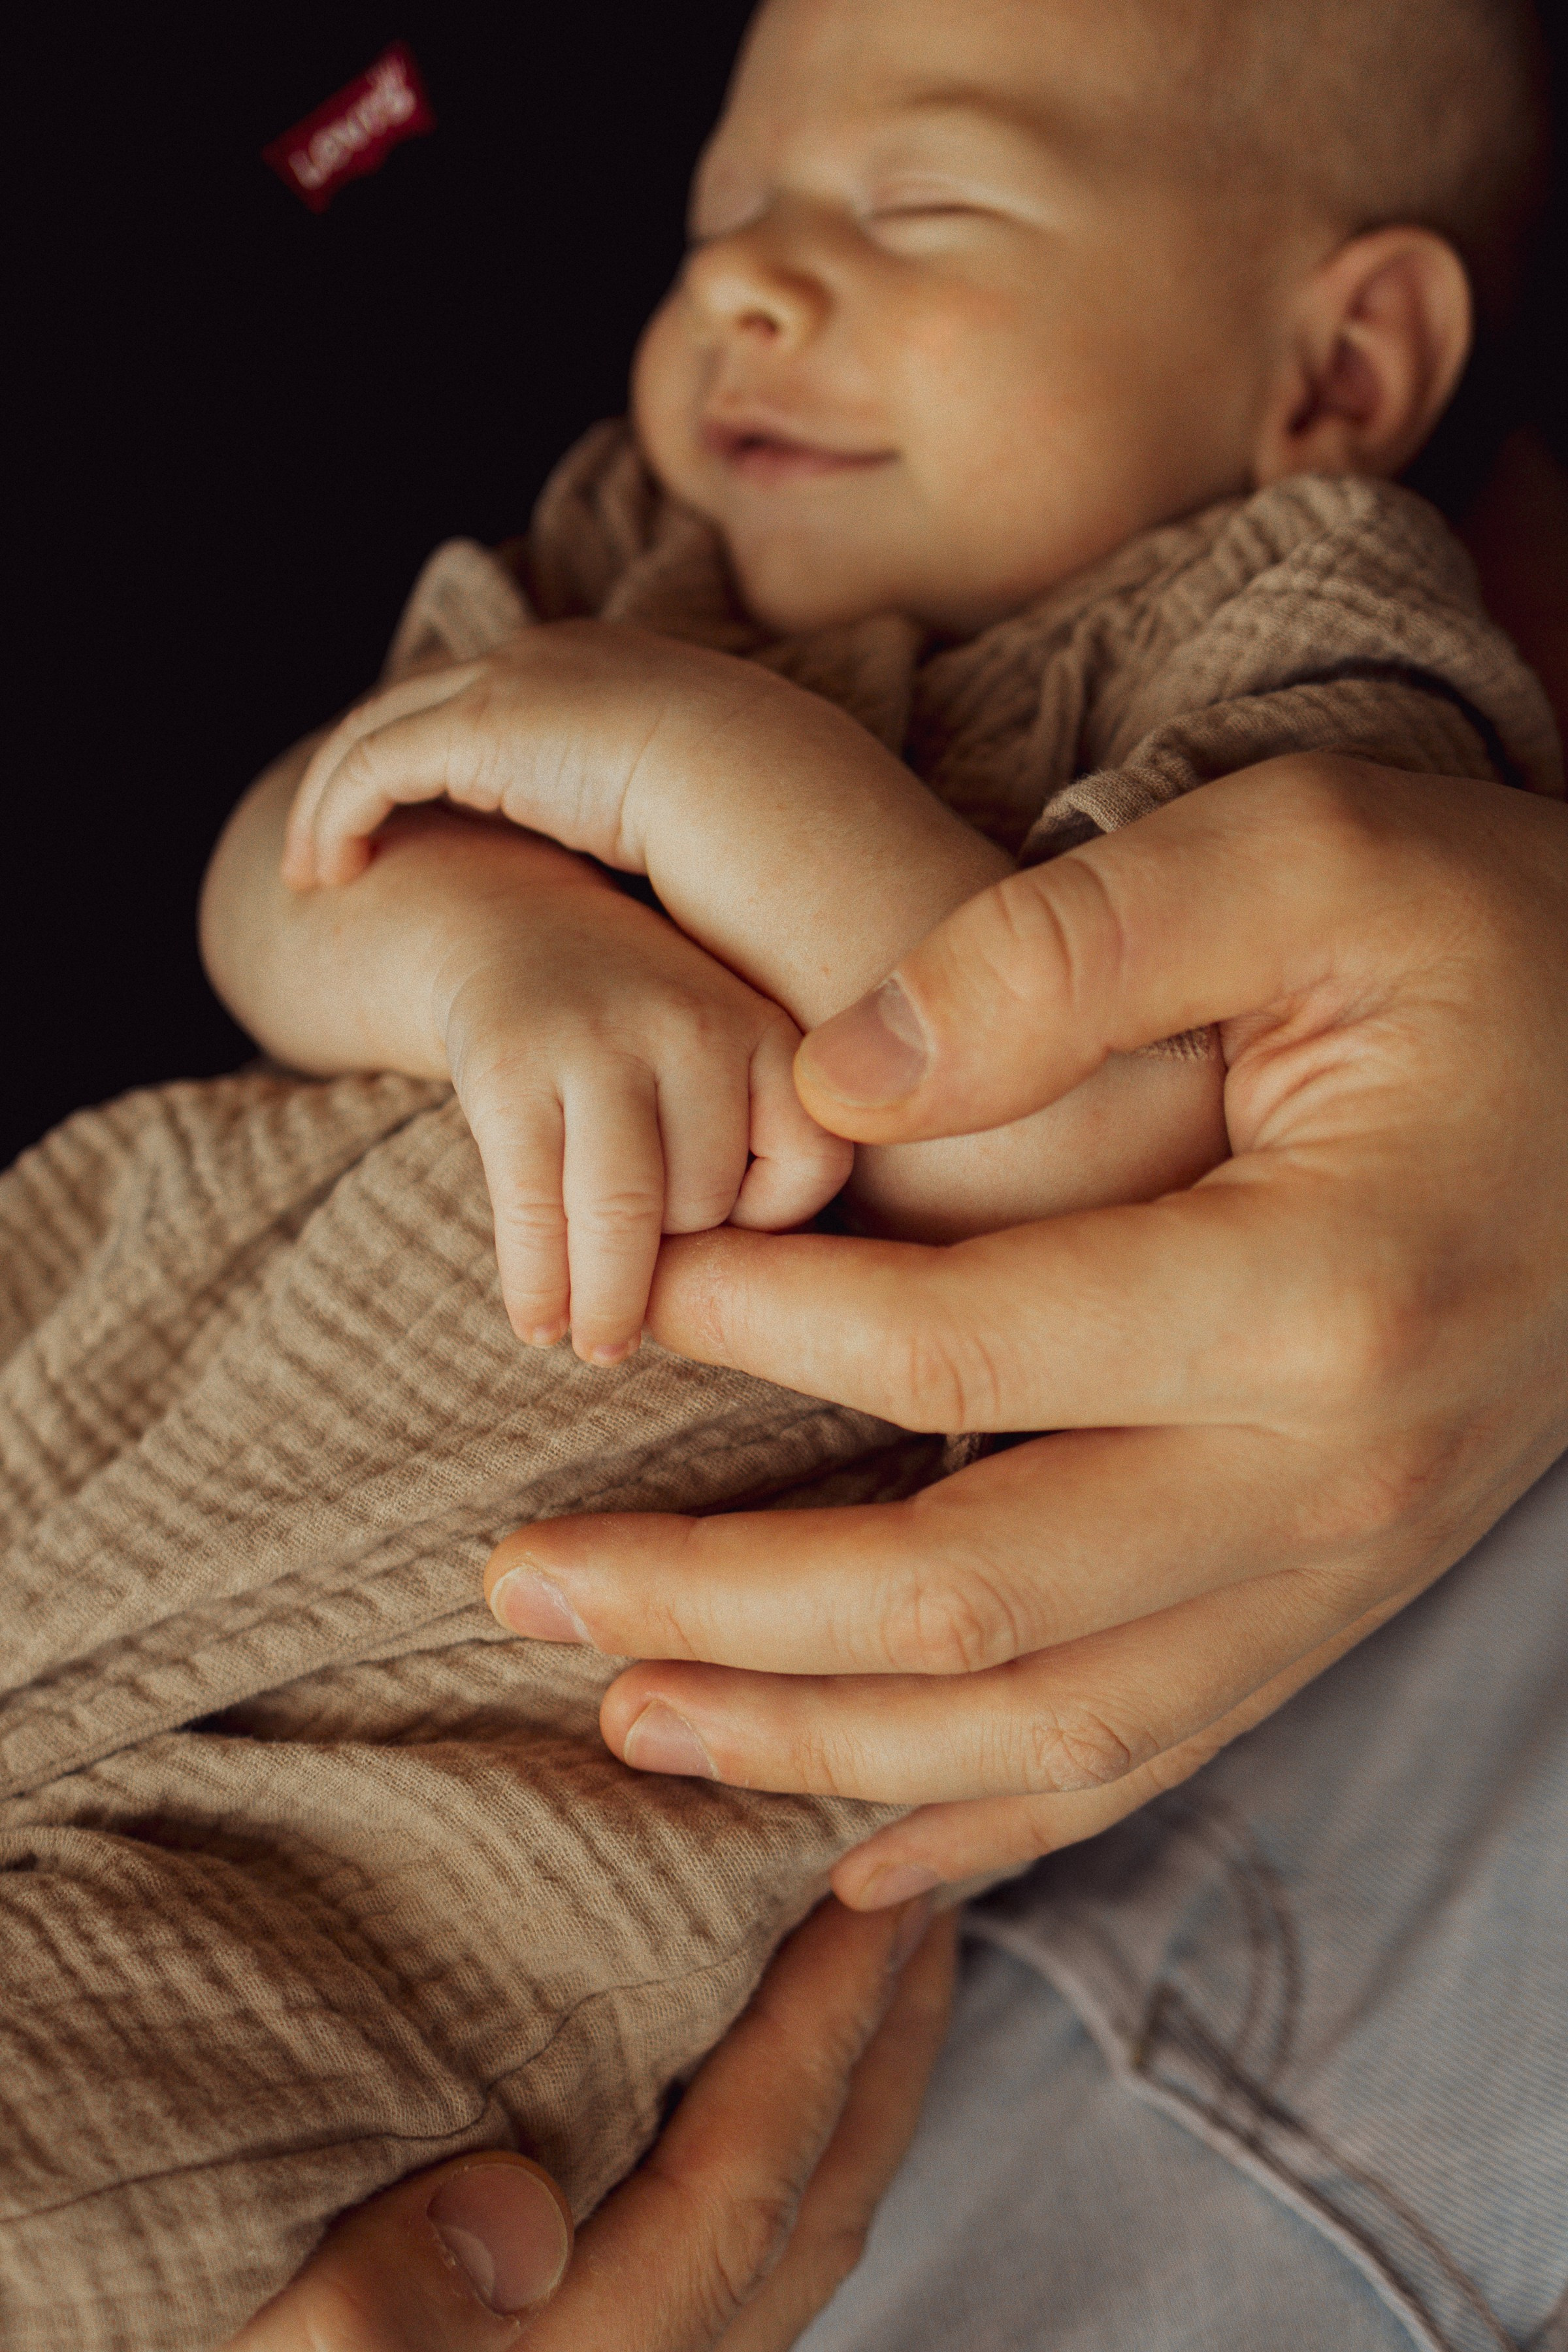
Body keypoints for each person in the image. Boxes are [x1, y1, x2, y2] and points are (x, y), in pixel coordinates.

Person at [3, 0, 1561, 2344]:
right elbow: (289, 862)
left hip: (426, 1775)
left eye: (914, 206)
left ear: (1334, 372)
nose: (742, 282)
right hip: (105, 1385)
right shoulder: (640, 541)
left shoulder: (1302, 633)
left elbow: (1098, 1146)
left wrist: (671, 764)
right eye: (723, 213)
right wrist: (485, 941)